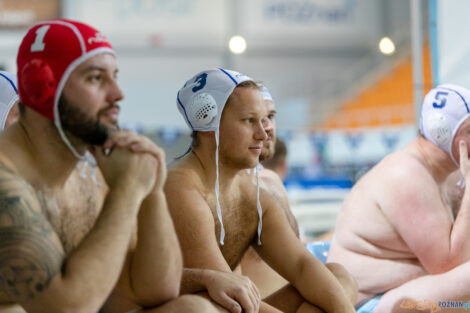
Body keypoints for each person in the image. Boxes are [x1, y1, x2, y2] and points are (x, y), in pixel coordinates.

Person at [0, 19, 215, 313]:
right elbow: (64, 307)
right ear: (42, 87)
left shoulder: (90, 176)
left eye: (114, 76)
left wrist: (150, 192)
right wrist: (127, 190)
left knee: (193, 310)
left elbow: (154, 290)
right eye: (95, 79)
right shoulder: (5, 180)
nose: (117, 94)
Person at [166, 68, 357, 313]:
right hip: (205, 308)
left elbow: (301, 266)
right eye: (249, 120)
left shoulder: (250, 192)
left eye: (265, 119)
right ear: (208, 124)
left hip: (237, 304)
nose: (263, 132)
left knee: (338, 278)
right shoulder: (182, 189)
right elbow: (231, 300)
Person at [327, 84, 470, 313]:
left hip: (399, 293)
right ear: (441, 132)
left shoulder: (448, 173)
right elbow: (449, 265)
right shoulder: (406, 175)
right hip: (370, 303)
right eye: (469, 132)